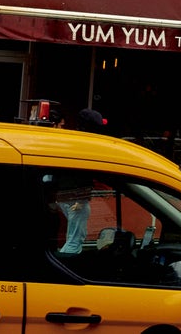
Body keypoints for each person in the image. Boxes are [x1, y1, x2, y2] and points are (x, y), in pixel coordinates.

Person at [49, 109, 106, 254]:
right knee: (75, 239)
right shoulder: (88, 145)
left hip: (65, 196)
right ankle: (64, 265)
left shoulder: (70, 141)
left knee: (74, 235)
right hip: (77, 197)